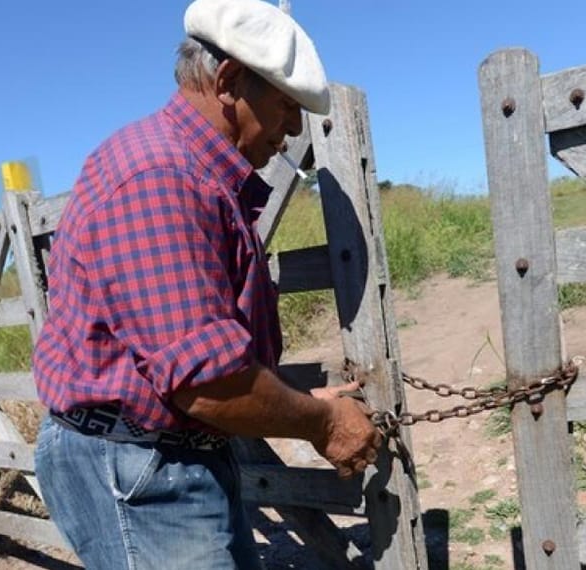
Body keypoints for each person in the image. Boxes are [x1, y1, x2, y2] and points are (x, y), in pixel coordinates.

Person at [31, 1, 382, 568]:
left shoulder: (192, 174)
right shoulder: (162, 178)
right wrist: (321, 422)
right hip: (139, 466)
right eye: (286, 105)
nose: (292, 129)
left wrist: (295, 404)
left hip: (159, 455)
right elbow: (210, 384)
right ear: (227, 82)